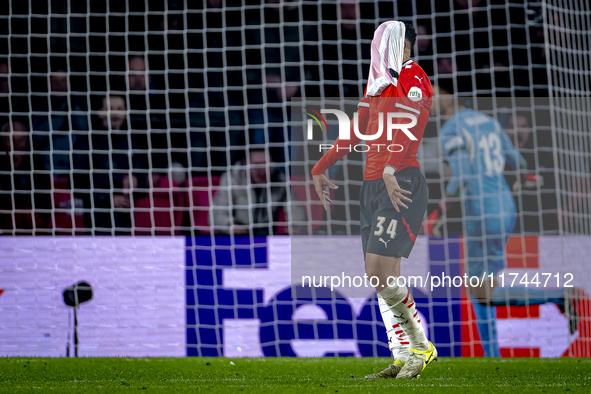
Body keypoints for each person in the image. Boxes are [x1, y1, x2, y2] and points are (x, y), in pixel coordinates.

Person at [311, 22, 437, 379]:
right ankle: (402, 355)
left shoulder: (413, 75)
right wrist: (320, 166)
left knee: (378, 272)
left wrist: (392, 168)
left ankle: (421, 347)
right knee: (384, 278)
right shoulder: (378, 85)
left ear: (402, 46)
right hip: (373, 187)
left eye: (384, 42)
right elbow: (356, 130)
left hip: (401, 182)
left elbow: (417, 117)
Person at [428, 88, 579, 357]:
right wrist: (524, 178)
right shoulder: (489, 121)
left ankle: (557, 296)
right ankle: (492, 355)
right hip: (506, 207)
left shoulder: (451, 129)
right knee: (484, 286)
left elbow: (460, 176)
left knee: (480, 291)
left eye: (436, 93)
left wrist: (440, 210)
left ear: (451, 95)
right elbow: (519, 162)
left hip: (481, 212)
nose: (430, 99)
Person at [88, 95, 149, 234]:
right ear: (101, 112)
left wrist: (136, 180)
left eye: (119, 109)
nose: (115, 113)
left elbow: (142, 183)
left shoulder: (133, 142)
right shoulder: (89, 142)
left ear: (126, 112)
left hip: (125, 220)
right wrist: (108, 199)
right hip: (96, 220)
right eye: (110, 109)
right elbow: (78, 183)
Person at [212, 148, 305, 236]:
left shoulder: (281, 180)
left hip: (267, 236)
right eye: (256, 164)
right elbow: (216, 215)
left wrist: (295, 225)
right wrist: (230, 226)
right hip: (239, 238)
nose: (261, 169)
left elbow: (294, 208)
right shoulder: (231, 179)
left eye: (265, 163)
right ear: (246, 164)